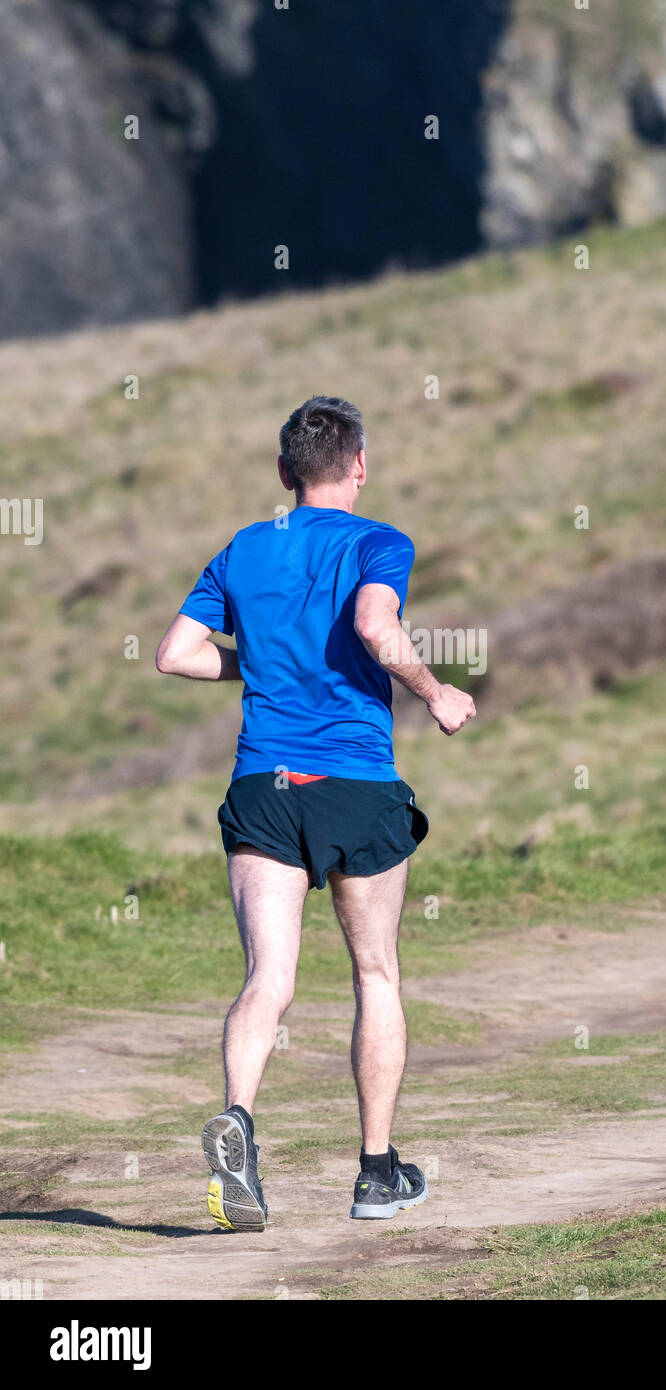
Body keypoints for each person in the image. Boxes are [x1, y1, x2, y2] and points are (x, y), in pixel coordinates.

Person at [156, 396, 475, 1228]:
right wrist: (436, 691)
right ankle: (376, 1173)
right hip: (354, 784)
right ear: (359, 466)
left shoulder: (244, 547)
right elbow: (375, 624)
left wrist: (256, 666)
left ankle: (240, 1123)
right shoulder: (379, 542)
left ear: (283, 473)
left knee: (270, 978)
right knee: (376, 972)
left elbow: (176, 655)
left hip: (264, 785)